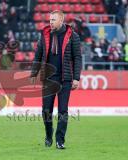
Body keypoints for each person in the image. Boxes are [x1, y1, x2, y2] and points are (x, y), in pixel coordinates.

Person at [30, 10, 82, 149]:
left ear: (61, 20)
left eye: (53, 20)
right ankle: (48, 134)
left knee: (63, 111)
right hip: (48, 79)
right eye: (50, 20)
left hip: (65, 79)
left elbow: (77, 57)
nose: (50, 22)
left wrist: (76, 78)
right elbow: (38, 54)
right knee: (46, 110)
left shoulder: (73, 36)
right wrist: (34, 73)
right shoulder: (45, 35)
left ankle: (60, 140)